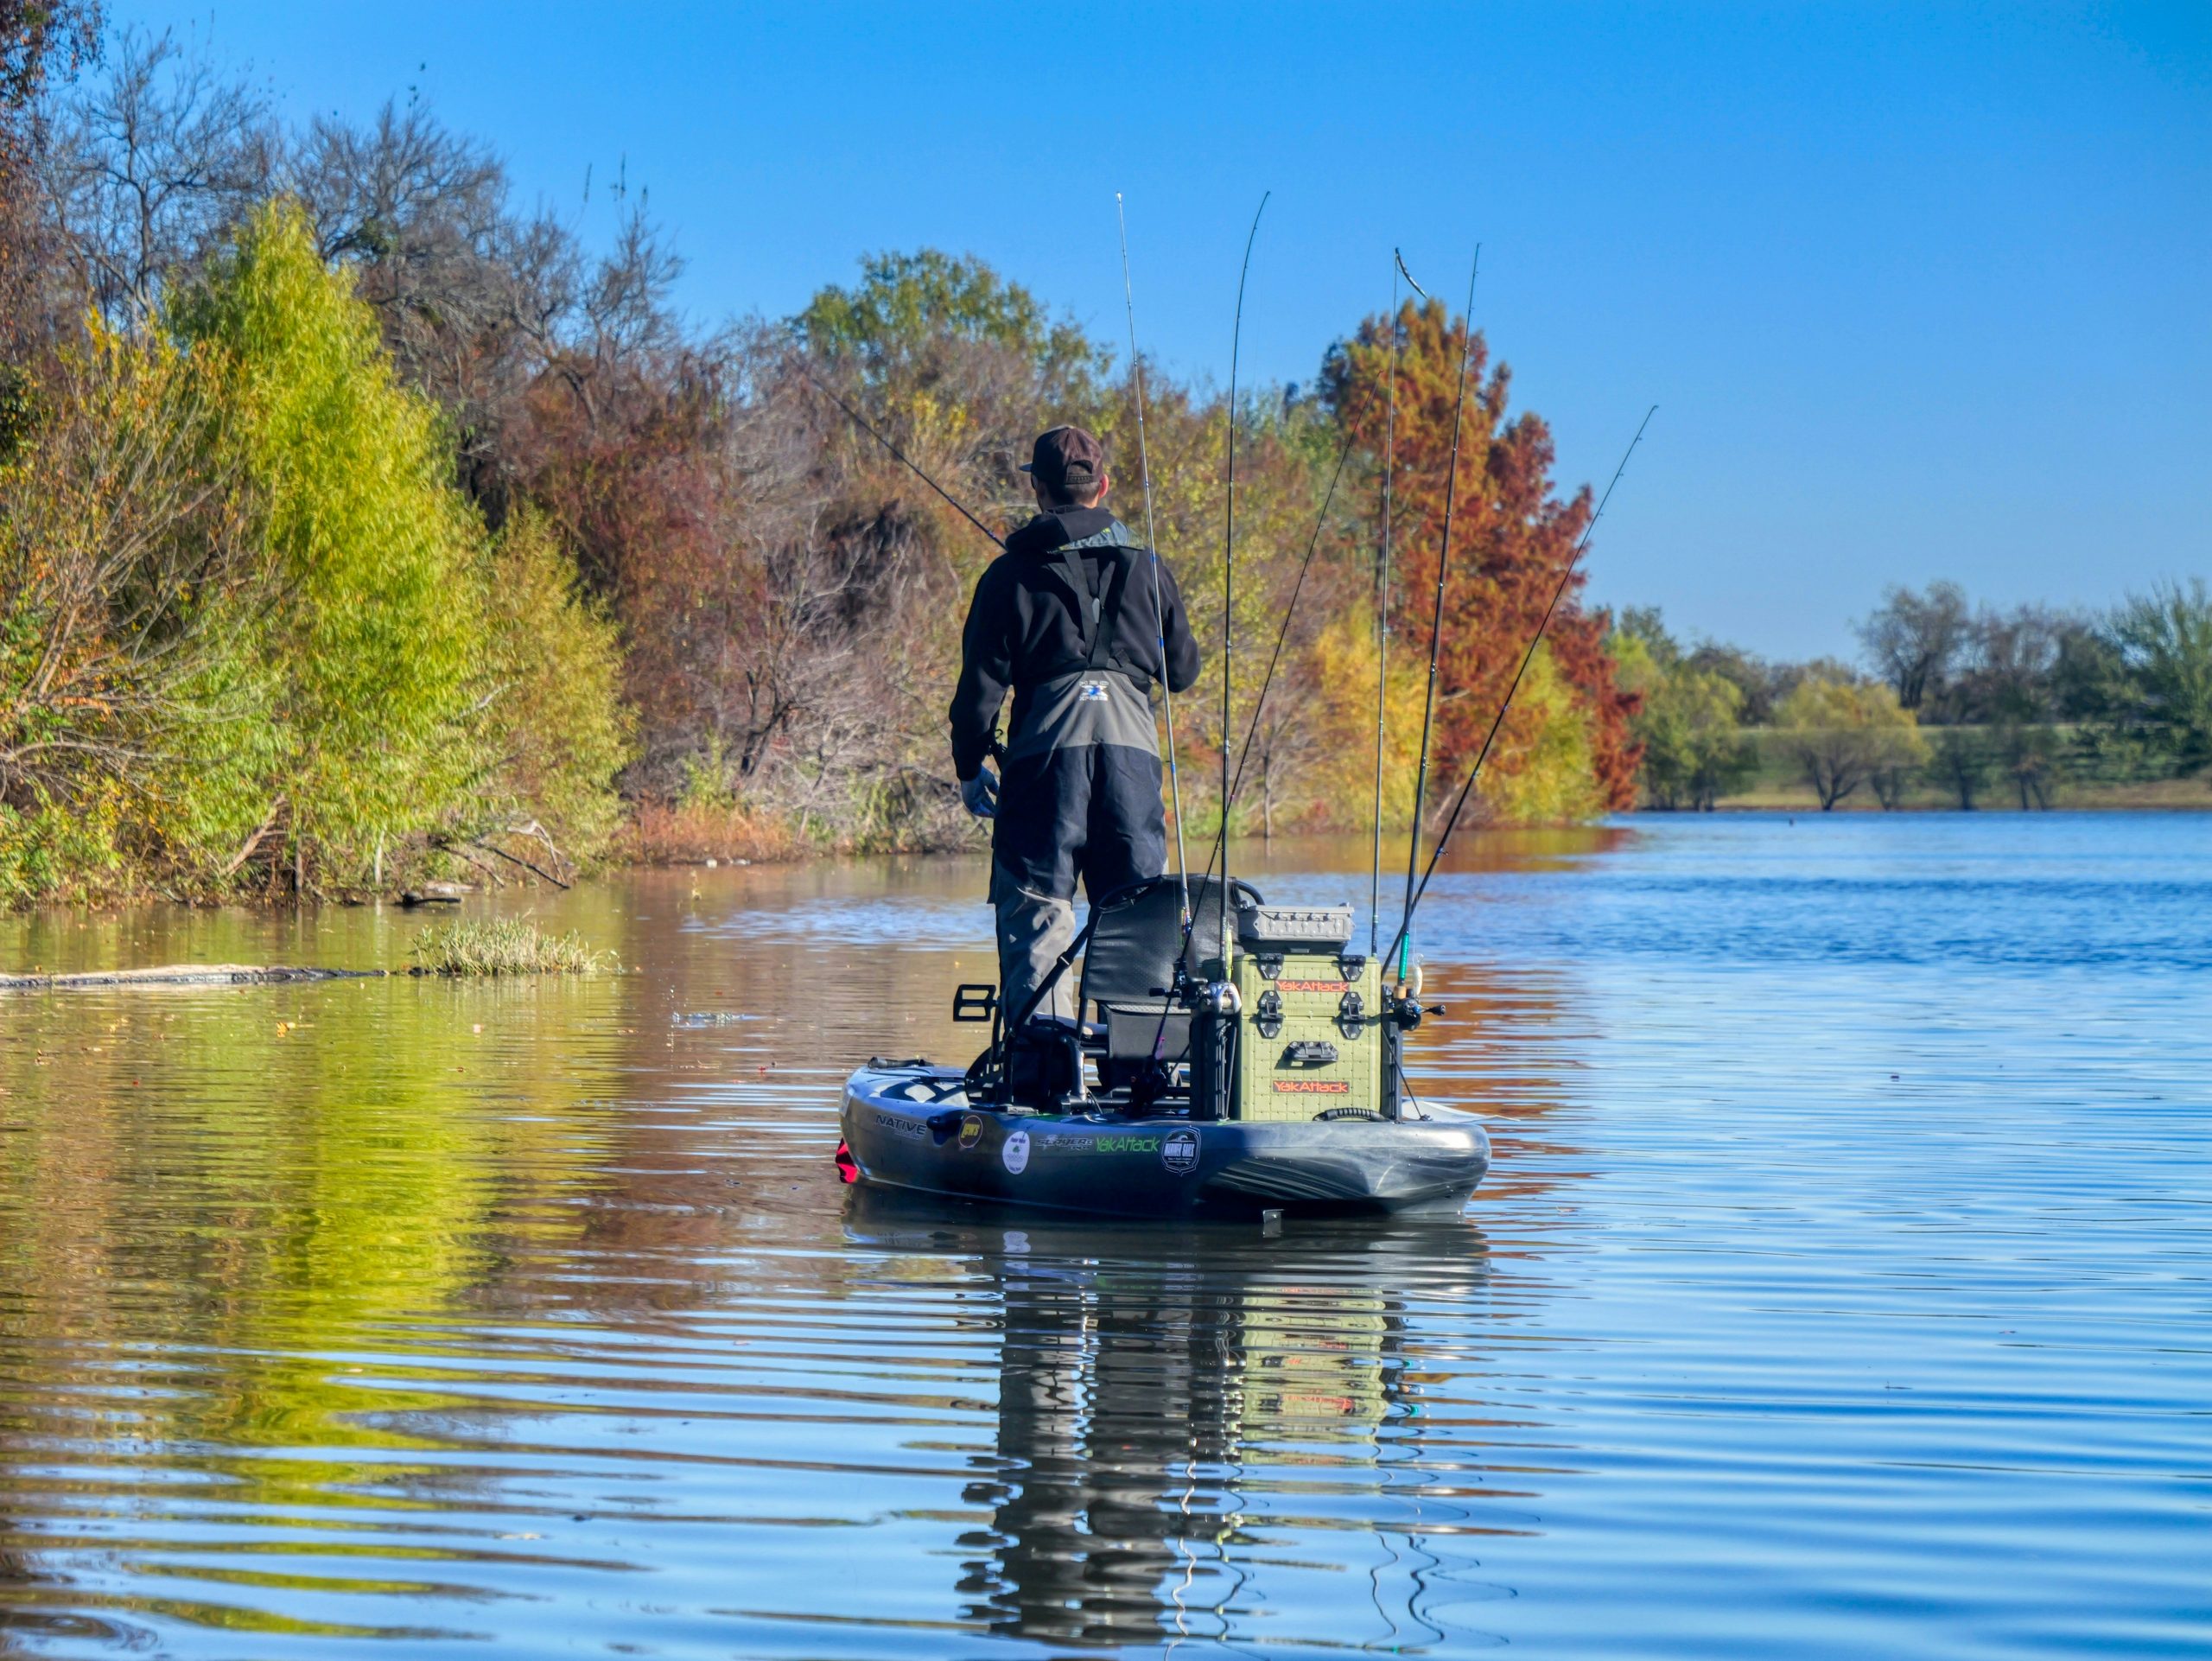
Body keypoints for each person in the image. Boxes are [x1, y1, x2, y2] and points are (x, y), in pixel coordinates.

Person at [950, 424, 1201, 1022]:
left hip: (1042, 775)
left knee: (1039, 915)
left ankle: (1044, 1081)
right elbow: (1183, 671)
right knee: (1136, 923)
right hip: (1131, 772)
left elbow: (977, 694)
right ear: (1103, 485)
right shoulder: (1149, 567)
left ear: (1036, 488)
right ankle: (1137, 1079)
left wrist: (969, 768)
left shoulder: (1007, 577)